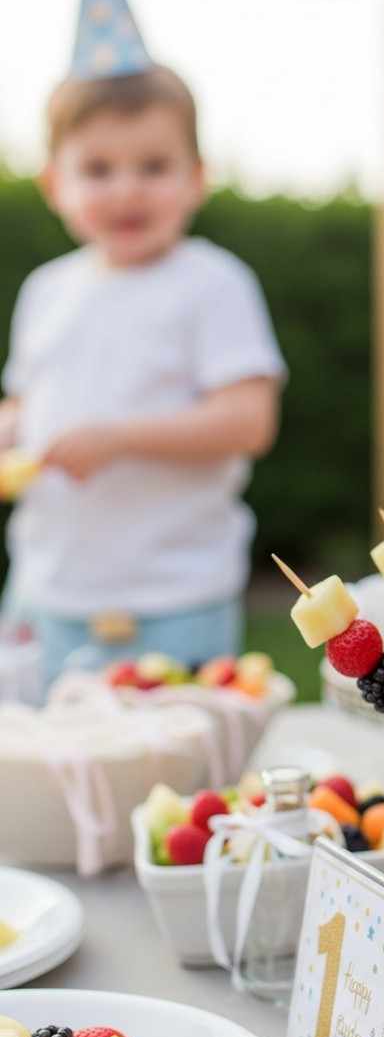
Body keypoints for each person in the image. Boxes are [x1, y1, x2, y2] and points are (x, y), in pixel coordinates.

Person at [0, 62, 285, 684]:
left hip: (171, 597)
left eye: (153, 167)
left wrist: (121, 437)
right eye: (98, 170)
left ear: (196, 178)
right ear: (55, 184)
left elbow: (248, 420)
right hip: (47, 589)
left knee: (173, 765)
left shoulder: (212, 283)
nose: (126, 189)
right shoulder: (47, 291)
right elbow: (27, 401)